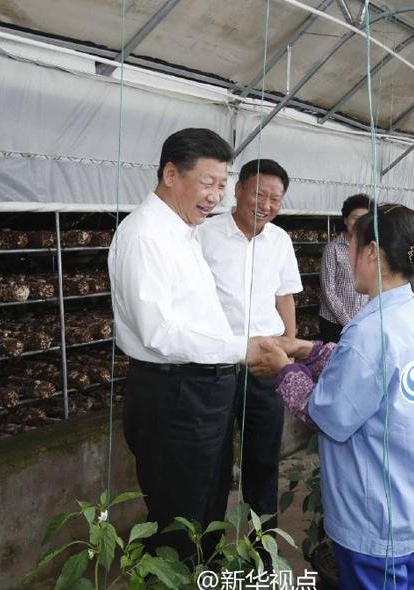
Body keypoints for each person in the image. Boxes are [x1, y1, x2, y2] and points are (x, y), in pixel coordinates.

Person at [251, 203, 414, 589]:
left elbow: (325, 414)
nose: (348, 255)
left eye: (351, 246)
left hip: (377, 515)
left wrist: (283, 368)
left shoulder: (370, 332)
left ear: (371, 252)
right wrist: (309, 349)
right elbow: (372, 373)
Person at [107, 128, 265, 558]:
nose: (216, 196)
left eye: (222, 185)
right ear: (171, 174)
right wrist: (239, 348)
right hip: (174, 394)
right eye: (208, 183)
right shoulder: (145, 235)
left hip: (202, 391)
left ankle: (202, 573)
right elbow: (159, 332)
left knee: (207, 505)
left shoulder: (183, 231)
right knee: (178, 518)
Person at [197, 158, 302, 531]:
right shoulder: (204, 234)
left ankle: (263, 542)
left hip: (264, 365)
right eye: (259, 194)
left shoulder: (280, 240)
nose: (266, 205)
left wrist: (288, 344)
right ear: (238, 189)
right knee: (213, 460)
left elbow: (284, 295)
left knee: (263, 458)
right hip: (217, 364)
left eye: (275, 199)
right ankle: (207, 545)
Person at [318, 193, 372, 342]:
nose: (360, 223)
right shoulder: (333, 249)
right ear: (346, 220)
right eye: (355, 218)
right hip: (334, 323)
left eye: (365, 219)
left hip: (361, 321)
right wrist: (348, 322)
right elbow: (328, 291)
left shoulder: (370, 249)